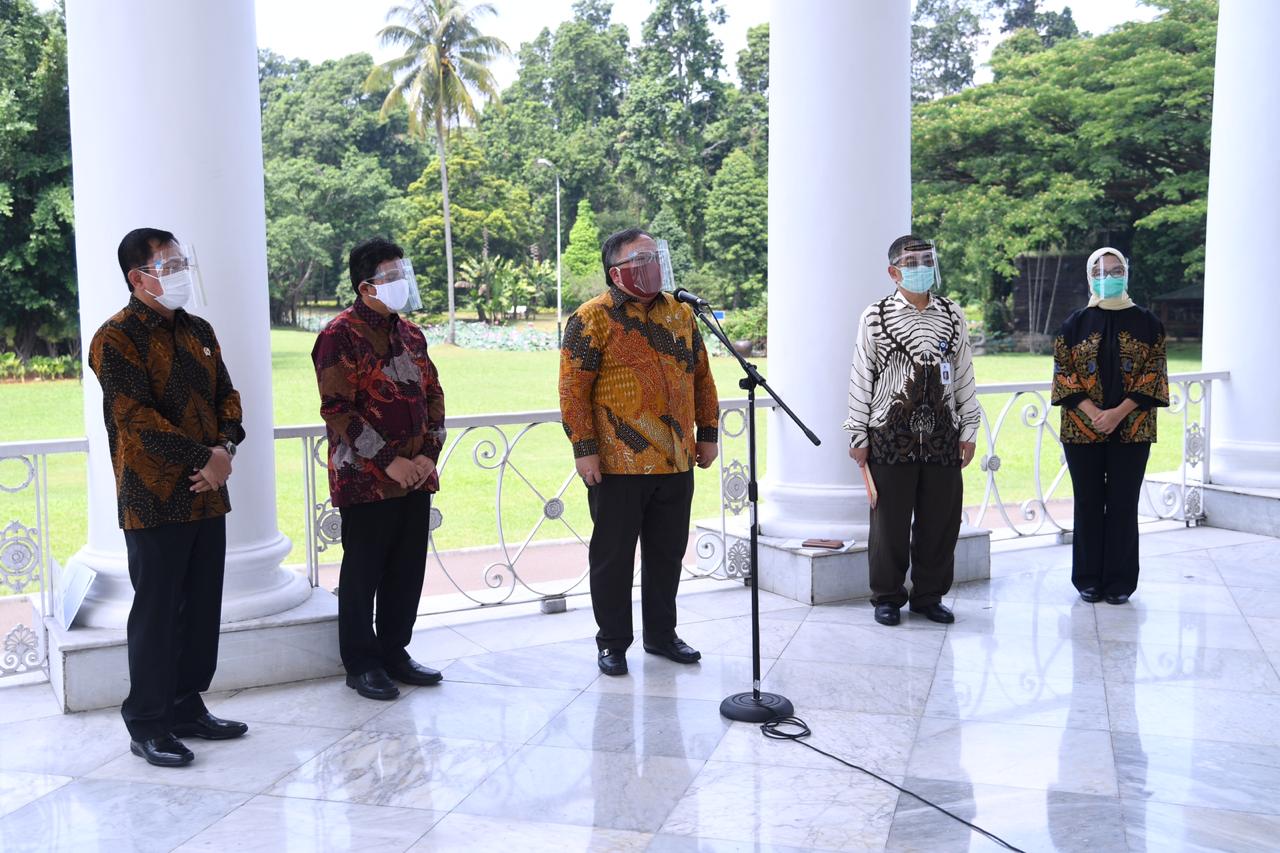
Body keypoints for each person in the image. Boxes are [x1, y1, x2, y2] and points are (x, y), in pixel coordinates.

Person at [88, 228, 249, 767]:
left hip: (208, 493)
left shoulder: (199, 329)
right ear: (139, 278)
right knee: (157, 612)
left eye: (183, 261)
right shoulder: (116, 338)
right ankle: (149, 721)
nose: (182, 271)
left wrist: (223, 449)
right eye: (170, 264)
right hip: (153, 497)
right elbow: (134, 417)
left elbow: (227, 394)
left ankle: (186, 705)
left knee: (201, 607)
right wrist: (205, 458)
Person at [559, 228, 720, 676]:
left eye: (655, 256)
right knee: (613, 558)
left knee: (667, 554)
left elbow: (702, 377)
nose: (653, 265)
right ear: (616, 272)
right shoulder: (591, 319)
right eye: (640, 259)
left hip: (675, 459)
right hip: (616, 463)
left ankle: (662, 635)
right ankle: (612, 643)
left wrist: (707, 432)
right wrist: (584, 448)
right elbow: (573, 390)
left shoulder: (681, 314)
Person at [311, 238, 446, 700]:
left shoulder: (410, 334)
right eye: (392, 277)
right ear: (366, 285)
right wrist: (390, 461)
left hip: (415, 476)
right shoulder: (339, 335)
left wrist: (427, 454)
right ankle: (361, 663)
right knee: (364, 572)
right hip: (366, 480)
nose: (401, 283)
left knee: (407, 569)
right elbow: (338, 409)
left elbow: (433, 395)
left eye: (402, 274)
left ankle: (394, 651)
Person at [844, 235, 980, 627]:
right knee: (889, 525)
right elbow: (860, 375)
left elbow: (965, 374)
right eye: (912, 261)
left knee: (941, 521)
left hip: (942, 434)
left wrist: (968, 428)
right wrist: (858, 435)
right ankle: (887, 596)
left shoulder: (953, 315)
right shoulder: (875, 316)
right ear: (894, 271)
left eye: (926, 260)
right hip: (889, 433)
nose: (921, 268)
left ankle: (929, 595)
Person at [1051, 247, 1168, 604]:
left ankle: (1119, 582)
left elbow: (1154, 375)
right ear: (1090, 278)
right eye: (1102, 272)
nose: (1110, 277)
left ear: (1127, 274)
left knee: (1122, 502)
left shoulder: (1148, 323)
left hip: (1133, 428)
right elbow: (1064, 374)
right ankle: (1087, 579)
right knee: (1087, 502)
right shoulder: (1074, 323)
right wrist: (1092, 412)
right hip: (1080, 429)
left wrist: (1117, 413)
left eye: (1117, 270)